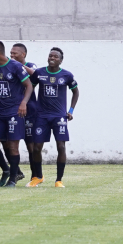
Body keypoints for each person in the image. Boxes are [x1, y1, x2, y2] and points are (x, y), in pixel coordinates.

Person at [28, 47, 79, 188]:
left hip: (59, 116)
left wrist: (70, 110)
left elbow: (76, 92)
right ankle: (38, 177)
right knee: (36, 148)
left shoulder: (67, 75)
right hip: (41, 116)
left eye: (55, 56)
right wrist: (28, 104)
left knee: (61, 146)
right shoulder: (39, 73)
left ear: (61, 60)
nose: (52, 58)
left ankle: (58, 180)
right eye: (50, 55)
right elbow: (29, 87)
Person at [0, 39, 33, 187]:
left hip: (14, 111)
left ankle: (13, 178)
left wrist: (23, 103)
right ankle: (6, 170)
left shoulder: (16, 66)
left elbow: (29, 86)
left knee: (13, 146)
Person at [10, 43, 38, 182]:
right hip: (11, 110)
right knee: (10, 144)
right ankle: (16, 173)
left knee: (31, 145)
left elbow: (36, 75)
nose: (12, 56)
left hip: (30, 110)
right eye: (11, 53)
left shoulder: (31, 65)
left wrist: (19, 66)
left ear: (24, 54)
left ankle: (35, 175)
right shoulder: (8, 67)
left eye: (15, 53)